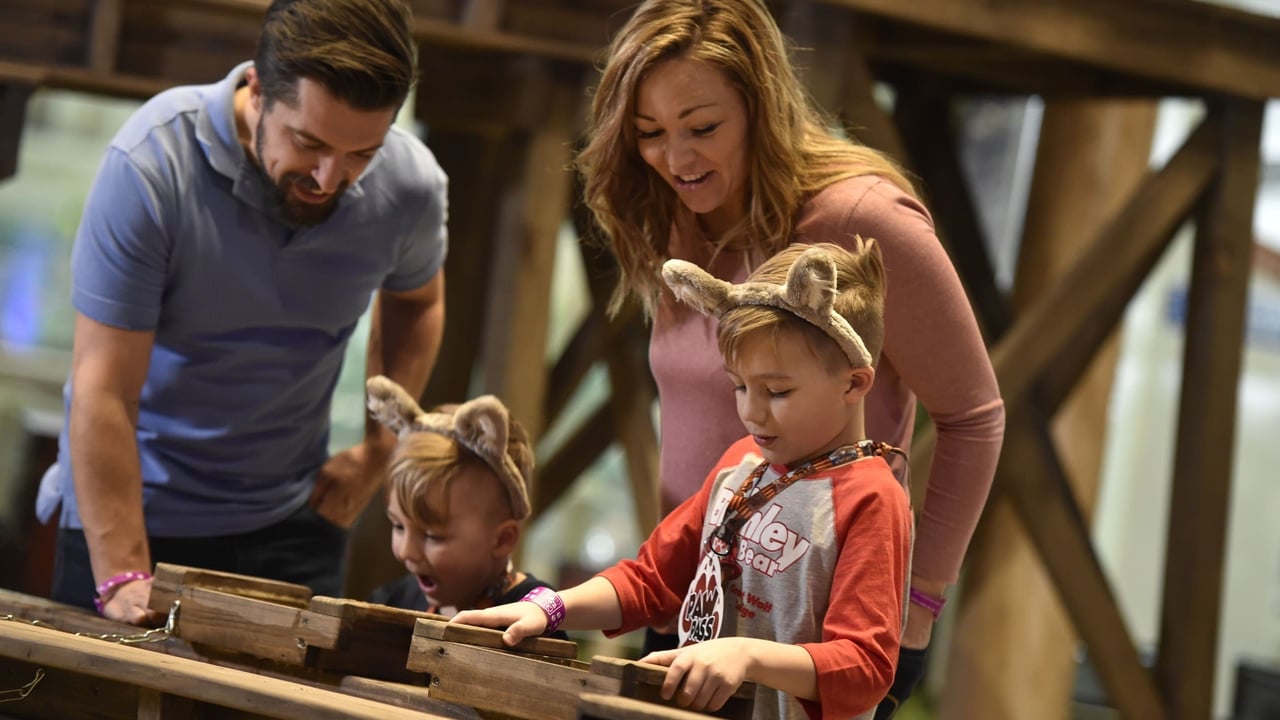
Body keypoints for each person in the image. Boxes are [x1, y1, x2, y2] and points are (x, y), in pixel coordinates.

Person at [574, 0, 1005, 713]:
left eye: (703, 128)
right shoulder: (675, 210)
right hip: (690, 620)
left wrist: (919, 603)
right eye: (649, 133)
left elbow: (974, 416)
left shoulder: (858, 218)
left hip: (806, 648)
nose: (676, 158)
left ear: (761, 106)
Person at [36, 0, 447, 626]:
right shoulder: (151, 165)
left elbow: (418, 302)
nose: (330, 178)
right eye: (308, 142)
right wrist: (122, 571)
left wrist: (379, 449)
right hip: (127, 516)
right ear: (257, 87)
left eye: (362, 153)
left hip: (292, 520)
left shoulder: (409, 186)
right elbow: (102, 389)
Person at [456, 243, 913, 720]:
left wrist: (747, 656)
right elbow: (652, 579)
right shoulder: (742, 463)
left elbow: (865, 667)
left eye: (777, 391)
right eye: (739, 386)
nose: (750, 412)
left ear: (855, 384)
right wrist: (550, 609)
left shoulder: (872, 499)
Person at [362, 376, 566, 636]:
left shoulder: (534, 618)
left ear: (502, 539)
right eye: (398, 526)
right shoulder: (390, 603)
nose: (406, 551)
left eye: (433, 535)